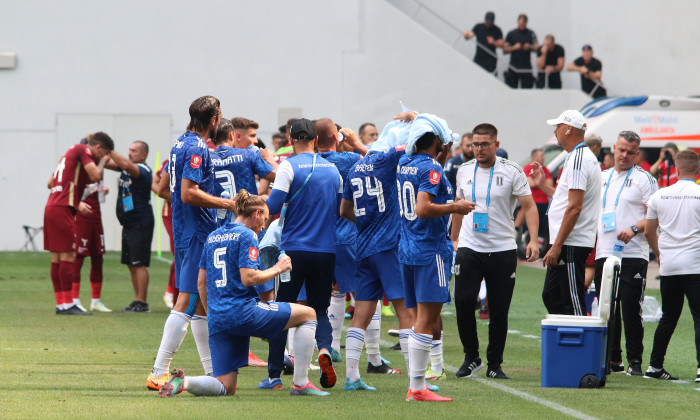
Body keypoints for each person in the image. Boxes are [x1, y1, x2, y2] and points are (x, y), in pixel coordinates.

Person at [159, 190, 328, 397]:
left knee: (226, 387)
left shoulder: (213, 236)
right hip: (243, 312)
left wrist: (212, 314)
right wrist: (278, 267)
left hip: (218, 318)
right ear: (256, 214)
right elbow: (249, 278)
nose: (264, 225)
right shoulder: (247, 235)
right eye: (264, 219)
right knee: (309, 314)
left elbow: (201, 283)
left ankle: (184, 382)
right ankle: (301, 383)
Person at [147, 95, 236, 391]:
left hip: (185, 229)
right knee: (185, 301)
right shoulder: (198, 147)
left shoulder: (179, 143)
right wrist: (224, 202)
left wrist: (191, 205)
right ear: (214, 120)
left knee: (198, 304)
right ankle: (158, 370)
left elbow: (163, 189)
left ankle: (212, 371)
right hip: (198, 232)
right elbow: (187, 193)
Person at [451, 123, 539, 380]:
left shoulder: (512, 171)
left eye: (484, 144)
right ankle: (471, 357)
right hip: (470, 247)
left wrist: (533, 240)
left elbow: (529, 207)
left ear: (496, 145)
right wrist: (453, 238)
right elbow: (458, 205)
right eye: (475, 144)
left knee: (499, 309)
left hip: (502, 249)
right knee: (464, 302)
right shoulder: (463, 170)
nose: (478, 149)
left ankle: (494, 364)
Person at [397, 113, 475, 401]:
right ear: (439, 142)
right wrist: (456, 207)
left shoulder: (406, 163)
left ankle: (418, 385)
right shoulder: (431, 169)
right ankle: (417, 388)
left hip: (407, 248)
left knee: (418, 317)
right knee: (427, 320)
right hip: (429, 250)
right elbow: (423, 208)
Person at [262, 118, 342, 390]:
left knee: (281, 310)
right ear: (316, 140)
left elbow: (272, 204)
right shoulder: (333, 170)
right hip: (326, 250)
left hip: (294, 251)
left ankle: (273, 375)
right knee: (318, 308)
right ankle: (325, 350)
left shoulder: (288, 166)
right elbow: (339, 209)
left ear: (290, 139)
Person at [339, 120, 419, 391]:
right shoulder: (387, 158)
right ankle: (415, 381)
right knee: (406, 312)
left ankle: (351, 377)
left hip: (363, 245)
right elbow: (418, 141)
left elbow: (344, 210)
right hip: (387, 246)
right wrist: (413, 115)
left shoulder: (353, 168)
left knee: (361, 312)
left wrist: (365, 223)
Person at [593, 131, 658, 376]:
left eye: (630, 152)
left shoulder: (645, 179)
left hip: (633, 253)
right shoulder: (602, 177)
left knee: (630, 307)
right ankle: (613, 360)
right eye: (621, 150)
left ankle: (635, 362)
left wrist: (634, 228)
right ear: (613, 149)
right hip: (604, 251)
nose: (624, 155)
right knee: (607, 307)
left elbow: (654, 214)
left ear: (637, 153)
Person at [314, 119, 372, 366]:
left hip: (316, 240)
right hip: (347, 236)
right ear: (338, 138)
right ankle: (375, 358)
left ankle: (329, 347)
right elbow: (377, 163)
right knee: (366, 294)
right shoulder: (349, 160)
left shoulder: (307, 163)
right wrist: (357, 145)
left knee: (328, 295)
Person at [644, 149, 700, 382]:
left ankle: (654, 367)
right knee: (699, 317)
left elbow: (648, 231)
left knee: (668, 316)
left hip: (669, 266)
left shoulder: (659, 195)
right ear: (697, 171)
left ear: (676, 170)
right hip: (695, 265)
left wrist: (659, 253)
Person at [538, 110, 601, 315]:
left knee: (572, 301)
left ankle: (578, 344)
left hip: (570, 242)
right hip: (567, 241)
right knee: (552, 295)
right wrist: (543, 186)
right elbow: (567, 199)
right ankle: (563, 342)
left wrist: (557, 246)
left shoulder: (578, 159)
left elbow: (574, 207)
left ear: (568, 129)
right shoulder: (578, 156)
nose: (555, 131)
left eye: (557, 126)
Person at [44, 132, 113, 315]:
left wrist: (73, 198)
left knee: (57, 259)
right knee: (68, 258)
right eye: (103, 153)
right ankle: (68, 305)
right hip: (63, 209)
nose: (100, 158)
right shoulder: (83, 150)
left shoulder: (67, 155)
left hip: (52, 206)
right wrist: (104, 161)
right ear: (98, 148)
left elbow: (50, 183)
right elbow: (96, 174)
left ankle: (61, 304)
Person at [106, 141, 155, 312]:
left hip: (140, 222)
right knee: (131, 263)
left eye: (134, 151)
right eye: (129, 150)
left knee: (139, 263)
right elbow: (111, 163)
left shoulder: (144, 169)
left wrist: (109, 149)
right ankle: (137, 299)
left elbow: (126, 164)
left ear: (143, 155)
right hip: (129, 222)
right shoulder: (126, 168)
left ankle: (142, 302)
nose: (130, 153)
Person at [210, 117, 277, 197]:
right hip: (246, 209)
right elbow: (282, 177)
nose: (256, 141)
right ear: (233, 135)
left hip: (217, 209)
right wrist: (270, 160)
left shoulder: (207, 160)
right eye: (252, 136)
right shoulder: (248, 155)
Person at [152, 158, 177, 309]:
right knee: (180, 254)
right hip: (172, 213)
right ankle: (171, 293)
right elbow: (155, 182)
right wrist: (174, 198)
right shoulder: (172, 160)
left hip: (196, 214)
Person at [523, 148, 554, 248]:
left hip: (544, 203)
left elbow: (550, 183)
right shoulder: (527, 168)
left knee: (542, 227)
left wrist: (537, 181)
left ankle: (539, 249)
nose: (543, 157)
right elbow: (530, 183)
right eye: (541, 155)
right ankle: (526, 246)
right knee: (530, 226)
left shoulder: (545, 169)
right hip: (532, 202)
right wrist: (540, 181)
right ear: (534, 157)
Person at [503, 14, 539, 89]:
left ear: (526, 23)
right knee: (511, 89)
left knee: (527, 90)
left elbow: (537, 48)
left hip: (526, 67)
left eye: (523, 24)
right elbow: (505, 50)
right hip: (513, 67)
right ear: (517, 22)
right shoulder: (511, 33)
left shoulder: (531, 33)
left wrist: (530, 47)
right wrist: (514, 48)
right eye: (520, 23)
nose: (521, 25)